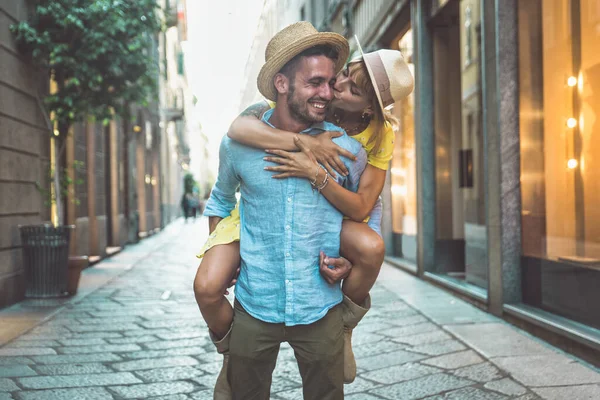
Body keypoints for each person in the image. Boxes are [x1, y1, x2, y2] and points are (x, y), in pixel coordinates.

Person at [196, 22, 414, 398]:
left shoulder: (356, 145)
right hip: (254, 302)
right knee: (207, 288)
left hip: (321, 304)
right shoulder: (246, 133)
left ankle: (347, 326)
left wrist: (350, 255)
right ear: (282, 84)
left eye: (337, 84)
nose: (332, 92)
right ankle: (229, 352)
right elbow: (221, 193)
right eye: (321, 82)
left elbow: (364, 209)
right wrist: (223, 250)